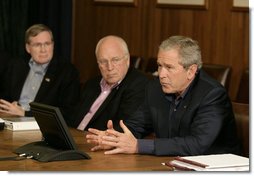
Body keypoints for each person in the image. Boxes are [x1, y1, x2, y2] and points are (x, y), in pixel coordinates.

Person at [86, 35, 241, 156]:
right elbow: (136, 125)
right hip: (172, 164)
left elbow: (197, 144)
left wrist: (138, 146)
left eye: (169, 67)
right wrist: (113, 139)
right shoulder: (155, 87)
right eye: (160, 66)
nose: (161, 74)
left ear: (191, 71)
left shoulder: (212, 94)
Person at [67, 35, 149, 131]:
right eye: (103, 61)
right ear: (98, 63)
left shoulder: (138, 84)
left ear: (127, 60)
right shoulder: (91, 84)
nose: (109, 67)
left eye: (115, 60)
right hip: (73, 137)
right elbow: (73, 117)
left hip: (97, 142)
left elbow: (125, 127)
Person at [0, 24, 80, 118]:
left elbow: (68, 112)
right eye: (37, 45)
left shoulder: (66, 72)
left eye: (47, 44)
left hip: (41, 126)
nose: (43, 50)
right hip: (11, 120)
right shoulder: (16, 66)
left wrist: (25, 113)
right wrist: (6, 107)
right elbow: (4, 96)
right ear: (28, 48)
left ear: (53, 45)